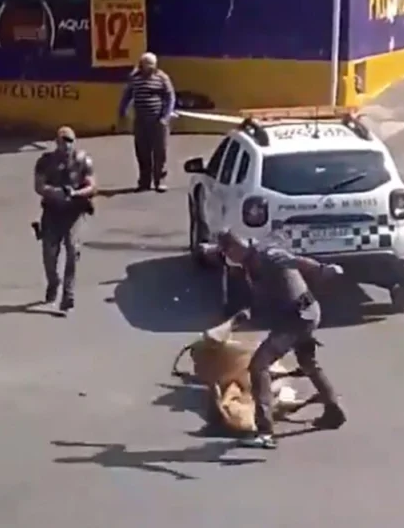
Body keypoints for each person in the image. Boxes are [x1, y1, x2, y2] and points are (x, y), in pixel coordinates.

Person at [200, 230, 347, 449]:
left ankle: (265, 431)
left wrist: (323, 269)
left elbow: (292, 261)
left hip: (297, 318)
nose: (228, 259)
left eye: (227, 253)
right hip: (302, 314)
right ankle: (334, 411)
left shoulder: (266, 254)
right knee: (308, 363)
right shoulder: (250, 258)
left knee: (259, 366)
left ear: (235, 248)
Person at [32, 126, 97, 312]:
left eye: (69, 141)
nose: (66, 145)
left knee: (72, 249)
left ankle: (68, 294)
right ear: (56, 142)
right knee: (49, 252)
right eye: (63, 141)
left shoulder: (83, 161)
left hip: (73, 212)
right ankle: (53, 282)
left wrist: (76, 193)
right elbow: (38, 186)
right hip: (52, 212)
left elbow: (93, 186)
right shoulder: (46, 161)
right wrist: (55, 193)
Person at [117, 52, 176, 192]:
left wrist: (165, 117)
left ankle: (159, 180)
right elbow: (127, 95)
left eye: (151, 67)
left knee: (160, 152)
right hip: (141, 121)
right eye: (146, 66)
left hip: (158, 121)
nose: (148, 69)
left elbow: (170, 97)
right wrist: (122, 111)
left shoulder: (162, 78)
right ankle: (144, 181)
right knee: (142, 151)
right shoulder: (134, 78)